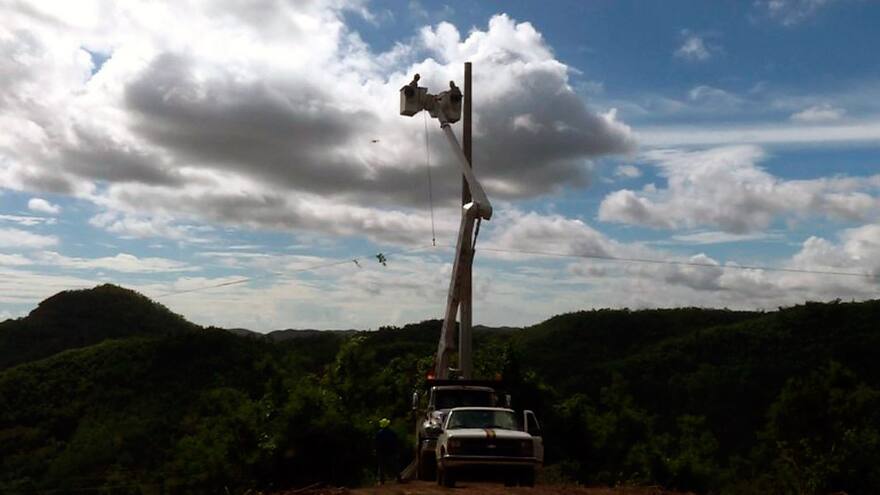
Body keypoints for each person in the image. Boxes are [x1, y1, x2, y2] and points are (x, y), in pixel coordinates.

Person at [375, 418, 400, 484]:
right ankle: (399, 478)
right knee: (394, 465)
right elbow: (396, 442)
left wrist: (376, 451)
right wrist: (396, 451)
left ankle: (381, 480)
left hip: (382, 452)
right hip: (391, 452)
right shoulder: (392, 433)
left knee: (381, 467)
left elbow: (376, 443)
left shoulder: (379, 433)